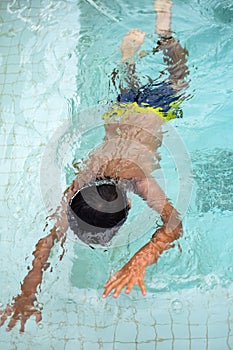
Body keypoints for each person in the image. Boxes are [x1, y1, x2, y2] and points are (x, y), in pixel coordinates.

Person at [0, 0, 188, 332]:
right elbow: (48, 241)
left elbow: (174, 225)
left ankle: (165, 33)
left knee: (179, 76)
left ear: (129, 202)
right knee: (126, 91)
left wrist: (139, 261)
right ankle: (129, 58)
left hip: (157, 111)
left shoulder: (139, 179)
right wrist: (26, 293)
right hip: (117, 113)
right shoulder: (83, 180)